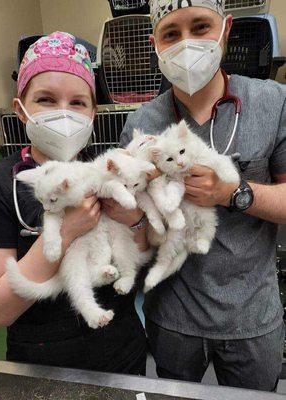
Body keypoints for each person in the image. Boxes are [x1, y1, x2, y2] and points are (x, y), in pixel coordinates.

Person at [119, 0, 286, 392]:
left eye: (200, 27)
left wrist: (234, 193)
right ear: (155, 44)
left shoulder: (272, 102)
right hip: (173, 319)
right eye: (171, 34)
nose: (187, 44)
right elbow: (135, 230)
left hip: (252, 317)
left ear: (226, 30)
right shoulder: (142, 124)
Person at [0, 31, 148, 374]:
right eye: (45, 99)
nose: (64, 113)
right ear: (20, 109)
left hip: (122, 350)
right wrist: (67, 231)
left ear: (92, 113)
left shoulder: (108, 170)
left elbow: (138, 252)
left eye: (78, 103)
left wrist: (135, 219)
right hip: (42, 363)